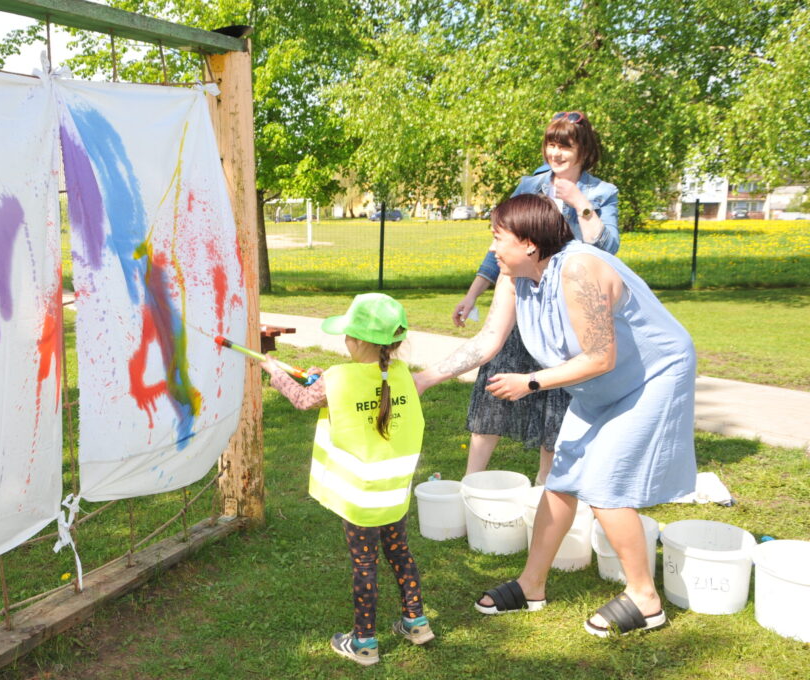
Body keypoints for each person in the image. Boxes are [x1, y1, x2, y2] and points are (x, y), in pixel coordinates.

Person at [417, 194, 696, 636]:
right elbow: (488, 341)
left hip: (651, 377)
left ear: (529, 243)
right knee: (562, 479)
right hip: (597, 384)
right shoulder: (517, 276)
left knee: (605, 482)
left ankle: (645, 600)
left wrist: (531, 382)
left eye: (497, 237)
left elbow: (601, 356)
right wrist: (425, 379)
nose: (491, 249)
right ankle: (532, 585)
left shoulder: (580, 270)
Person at [261, 293, 433, 665]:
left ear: (354, 340)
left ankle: (365, 644)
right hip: (392, 491)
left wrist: (276, 374)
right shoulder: (400, 373)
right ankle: (417, 622)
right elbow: (357, 389)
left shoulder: (339, 378)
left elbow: (305, 399)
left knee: (364, 564)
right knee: (400, 551)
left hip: (359, 495)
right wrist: (321, 379)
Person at [452, 111, 619, 484]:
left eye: (565, 145)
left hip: (565, 312)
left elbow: (607, 248)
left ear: (583, 148)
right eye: (551, 144)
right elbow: (502, 242)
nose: (555, 153)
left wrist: (580, 203)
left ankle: (543, 491)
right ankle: (470, 483)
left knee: (556, 400)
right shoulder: (530, 184)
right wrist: (473, 294)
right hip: (521, 301)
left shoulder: (601, 193)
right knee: (492, 388)